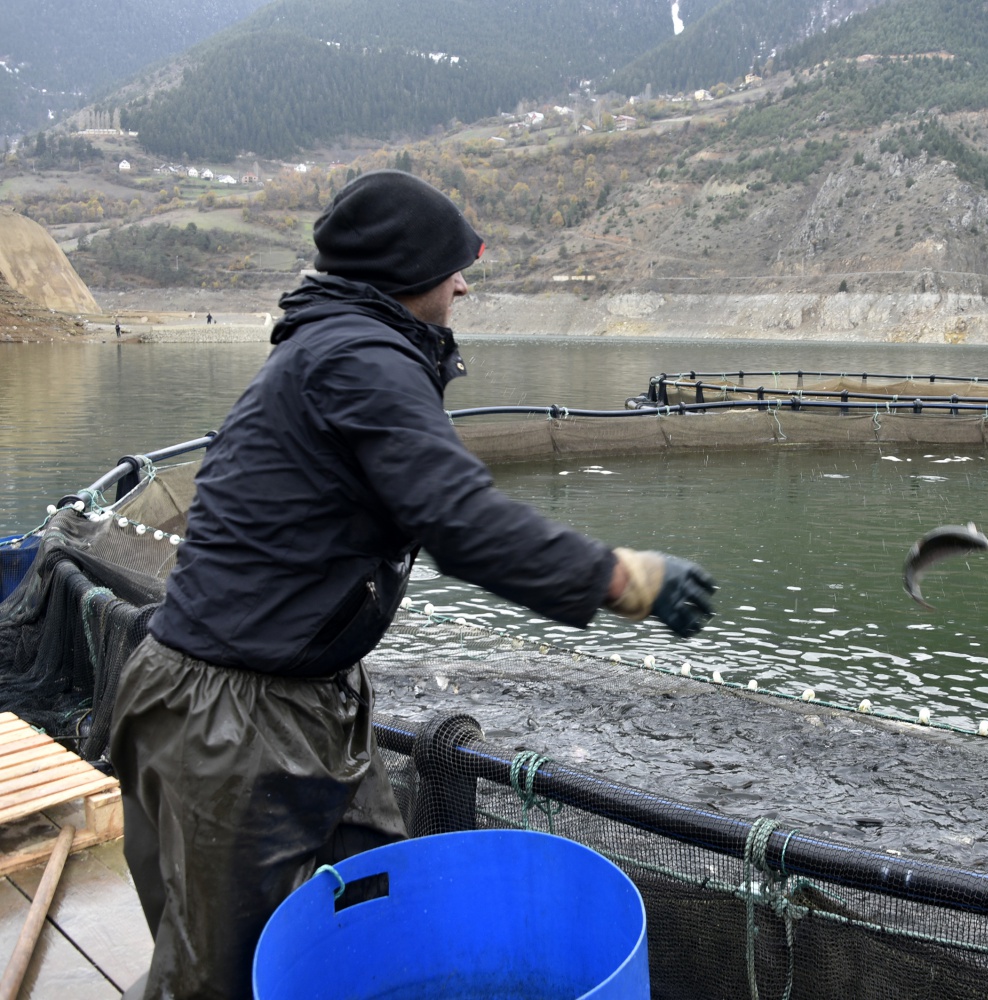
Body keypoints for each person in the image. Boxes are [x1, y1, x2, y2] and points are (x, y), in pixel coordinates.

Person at [108, 169, 716, 1000]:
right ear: (402, 275)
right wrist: (622, 578)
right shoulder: (357, 360)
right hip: (228, 721)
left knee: (378, 904)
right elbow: (460, 520)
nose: (465, 281)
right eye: (451, 265)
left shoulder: (336, 347)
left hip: (296, 695)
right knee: (225, 972)